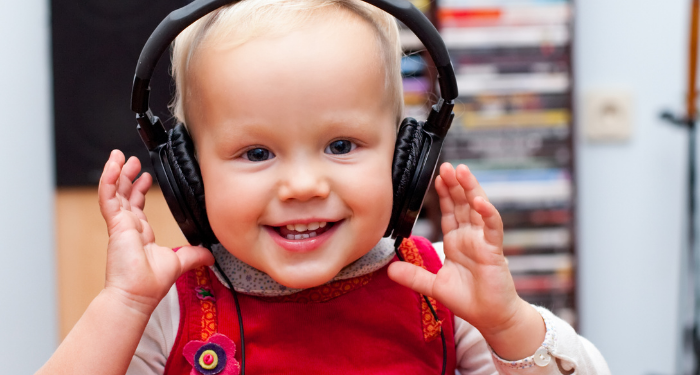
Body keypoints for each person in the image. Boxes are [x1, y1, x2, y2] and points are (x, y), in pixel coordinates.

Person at [37, 0, 610, 374]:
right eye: (256, 153)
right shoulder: (172, 306)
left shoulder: (441, 293)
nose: (305, 185)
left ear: (402, 156)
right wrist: (123, 303)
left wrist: (505, 321)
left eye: (341, 146)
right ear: (189, 173)